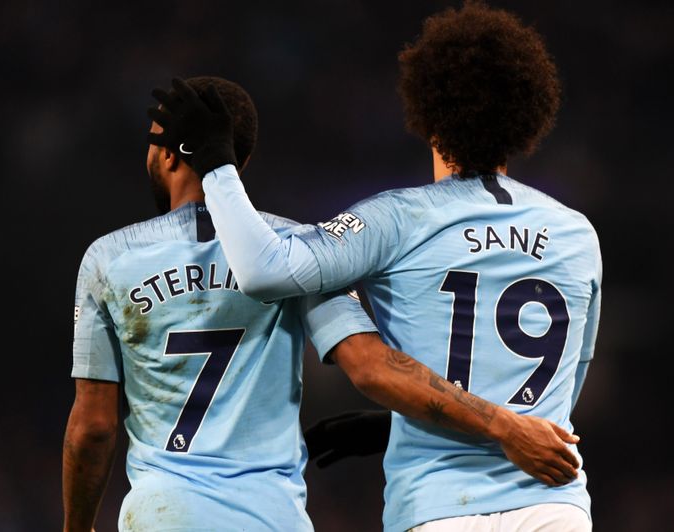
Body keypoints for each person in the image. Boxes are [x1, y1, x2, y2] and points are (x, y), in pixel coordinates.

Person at [153, 2, 602, 531]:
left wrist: (218, 165)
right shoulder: (577, 234)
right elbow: (556, 401)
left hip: (440, 508)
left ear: (428, 113)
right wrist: (404, 424)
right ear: (526, 117)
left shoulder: (400, 219)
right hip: (554, 509)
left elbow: (263, 269)